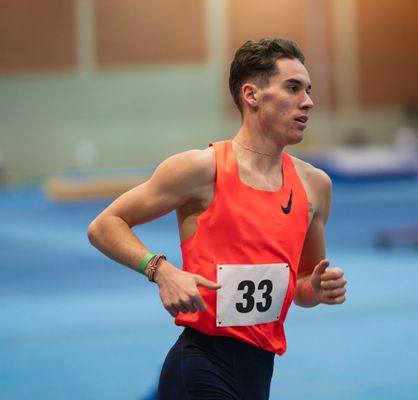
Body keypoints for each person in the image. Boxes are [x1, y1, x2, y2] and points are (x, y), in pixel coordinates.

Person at [87, 37, 347, 399]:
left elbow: (303, 282)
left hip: (258, 370)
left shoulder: (315, 186)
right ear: (252, 95)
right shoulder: (201, 170)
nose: (308, 101)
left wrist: (316, 290)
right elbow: (104, 225)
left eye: (308, 89)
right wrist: (161, 270)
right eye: (293, 88)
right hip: (201, 362)